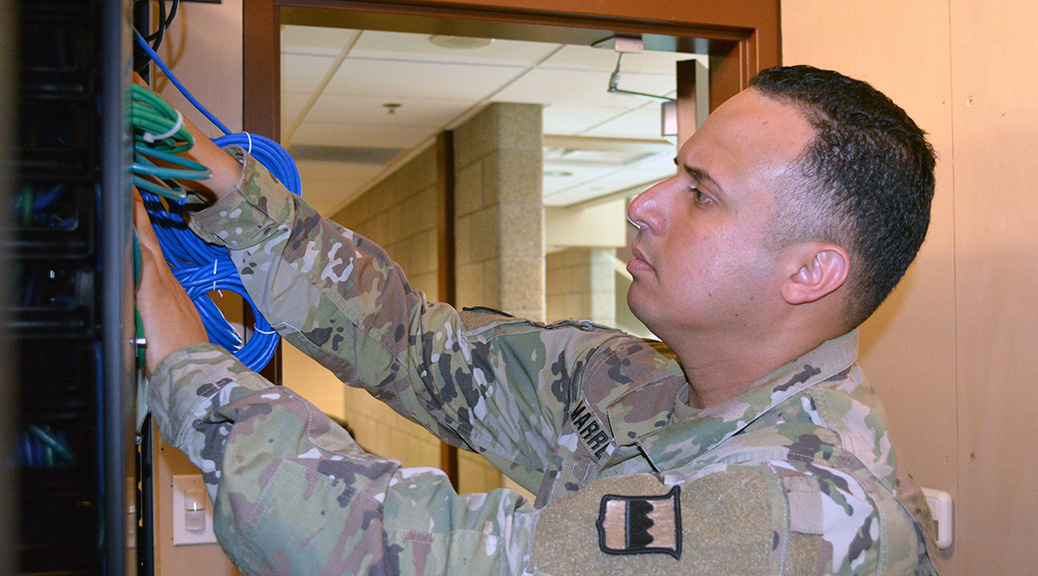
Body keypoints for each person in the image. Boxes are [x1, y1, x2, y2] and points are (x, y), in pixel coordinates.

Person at [136, 65, 940, 575]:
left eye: (701, 192)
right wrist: (239, 201)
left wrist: (186, 362)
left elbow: (427, 560)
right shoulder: (634, 381)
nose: (644, 205)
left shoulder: (800, 515)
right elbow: (416, 346)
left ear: (811, 272)